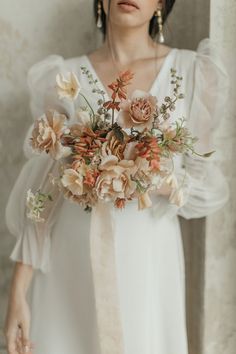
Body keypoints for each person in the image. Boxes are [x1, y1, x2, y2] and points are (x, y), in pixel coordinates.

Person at [4, 1, 230, 354]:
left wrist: (152, 176)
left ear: (161, 3)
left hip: (146, 262)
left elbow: (203, 184)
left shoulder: (192, 73)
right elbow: (44, 189)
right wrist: (18, 289)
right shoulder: (63, 78)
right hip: (69, 264)